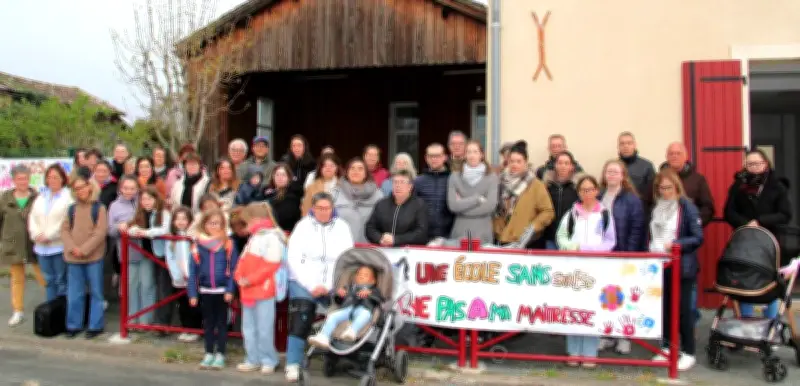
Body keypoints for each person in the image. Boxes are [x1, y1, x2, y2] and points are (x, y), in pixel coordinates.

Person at [284, 192, 354, 382]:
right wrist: (311, 284)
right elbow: (294, 259)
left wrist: (330, 285)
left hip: (333, 282)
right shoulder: (302, 226)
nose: (324, 212)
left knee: (345, 309)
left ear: (333, 209)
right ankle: (293, 363)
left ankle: (338, 357)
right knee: (301, 314)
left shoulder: (342, 227)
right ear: (313, 209)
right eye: (320, 208)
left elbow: (346, 260)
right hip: (304, 281)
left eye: (327, 208)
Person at [556, 175, 616, 368]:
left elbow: (610, 241)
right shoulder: (572, 214)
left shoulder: (605, 214)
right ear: (579, 192)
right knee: (573, 309)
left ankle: (590, 352)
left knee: (592, 310)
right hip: (574, 269)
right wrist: (572, 247)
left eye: (590, 189)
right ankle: (573, 351)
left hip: (597, 268)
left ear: (597, 191)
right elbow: (561, 236)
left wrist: (589, 250)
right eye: (583, 190)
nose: (587, 193)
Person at [723, 149, 791, 319]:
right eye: (749, 164)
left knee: (769, 283)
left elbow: (785, 214)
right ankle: (747, 324)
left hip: (770, 242)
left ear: (766, 164)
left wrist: (760, 221)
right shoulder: (738, 186)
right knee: (746, 282)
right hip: (745, 243)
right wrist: (746, 224)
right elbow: (729, 212)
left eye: (757, 163)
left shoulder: (777, 186)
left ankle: (770, 326)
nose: (753, 167)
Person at [649, 169, 704, 371]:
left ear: (676, 186)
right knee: (664, 309)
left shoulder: (687, 207)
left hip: (681, 266)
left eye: (668, 187)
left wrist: (675, 244)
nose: (665, 192)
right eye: (661, 188)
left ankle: (688, 352)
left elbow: (698, 237)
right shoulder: (657, 208)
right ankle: (667, 348)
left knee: (683, 311)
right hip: (659, 265)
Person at [598, 159, 645, 354]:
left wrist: (630, 253)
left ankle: (624, 336)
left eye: (615, 172)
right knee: (604, 296)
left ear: (623, 176)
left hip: (622, 253)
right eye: (609, 171)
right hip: (602, 255)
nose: (611, 175)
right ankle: (606, 334)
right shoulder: (599, 196)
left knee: (622, 296)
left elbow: (637, 227)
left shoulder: (631, 199)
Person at [234, 202, 286, 374]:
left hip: (263, 290)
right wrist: (239, 275)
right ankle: (253, 358)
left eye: (247, 222)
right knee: (248, 327)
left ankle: (268, 359)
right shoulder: (256, 237)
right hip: (248, 289)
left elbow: (272, 264)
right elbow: (242, 260)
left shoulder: (271, 237)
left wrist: (250, 279)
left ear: (255, 220)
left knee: (264, 327)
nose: (245, 226)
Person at [188, 210, 240, 370]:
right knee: (208, 323)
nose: (214, 226)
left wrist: (230, 290)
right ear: (204, 225)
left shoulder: (228, 243)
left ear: (222, 225)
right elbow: (193, 271)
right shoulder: (197, 245)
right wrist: (192, 293)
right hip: (205, 290)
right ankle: (209, 352)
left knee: (222, 324)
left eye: (217, 223)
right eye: (210, 223)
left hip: (222, 290)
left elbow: (233, 269)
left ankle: (221, 354)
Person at [61, 173, 108, 339]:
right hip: (73, 258)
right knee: (74, 293)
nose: (79, 191)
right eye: (76, 188)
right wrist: (73, 248)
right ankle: (73, 325)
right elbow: (65, 230)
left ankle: (95, 325)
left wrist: (84, 249)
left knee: (96, 292)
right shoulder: (71, 209)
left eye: (82, 187)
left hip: (93, 257)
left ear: (90, 187)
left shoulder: (99, 208)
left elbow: (100, 232)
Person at [0, 165, 45, 326]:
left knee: (44, 276)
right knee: (17, 279)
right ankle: (17, 311)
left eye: (25, 178)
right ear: (13, 180)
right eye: (19, 178)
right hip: (13, 244)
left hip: (34, 244)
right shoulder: (5, 198)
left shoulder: (37, 198)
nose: (22, 181)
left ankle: (54, 306)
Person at [108, 176, 154, 325]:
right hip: (128, 253)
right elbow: (110, 230)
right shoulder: (114, 206)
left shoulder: (142, 202)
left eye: (132, 188)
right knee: (131, 288)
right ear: (120, 188)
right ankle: (131, 320)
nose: (129, 191)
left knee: (147, 285)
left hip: (146, 251)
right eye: (126, 188)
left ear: (137, 189)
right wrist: (119, 227)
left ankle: (146, 320)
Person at [127, 187, 173, 335]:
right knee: (144, 285)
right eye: (143, 199)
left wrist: (145, 233)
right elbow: (132, 226)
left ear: (156, 199)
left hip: (162, 255)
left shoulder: (163, 213)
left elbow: (164, 229)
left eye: (149, 199)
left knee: (161, 288)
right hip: (147, 255)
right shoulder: (140, 213)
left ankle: (161, 323)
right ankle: (141, 319)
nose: (146, 202)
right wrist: (132, 229)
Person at [494, 141, 555, 247]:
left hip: (527, 241)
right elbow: (495, 209)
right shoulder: (500, 182)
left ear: (525, 162)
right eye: (512, 161)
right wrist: (495, 227)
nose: (514, 164)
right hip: (502, 238)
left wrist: (533, 227)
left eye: (518, 161)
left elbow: (548, 212)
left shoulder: (536, 184)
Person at [308, 265, 383, 348]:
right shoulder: (349, 288)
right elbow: (338, 302)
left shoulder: (374, 290)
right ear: (355, 277)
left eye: (365, 275)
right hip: (347, 309)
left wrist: (369, 294)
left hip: (363, 309)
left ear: (373, 281)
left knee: (366, 315)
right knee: (333, 316)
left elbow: (379, 300)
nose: (361, 276)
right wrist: (340, 295)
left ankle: (352, 331)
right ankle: (323, 336)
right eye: (359, 274)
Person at [28, 164, 73, 302]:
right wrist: (36, 234)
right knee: (48, 280)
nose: (52, 180)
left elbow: (66, 221)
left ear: (63, 179)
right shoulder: (41, 197)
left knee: (61, 280)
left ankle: (62, 313)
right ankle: (50, 313)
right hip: (41, 247)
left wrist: (50, 236)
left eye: (56, 177)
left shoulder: (68, 198)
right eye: (49, 177)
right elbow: (32, 217)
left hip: (58, 246)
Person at [646, 142, 715, 226]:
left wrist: (696, 222)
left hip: (689, 231)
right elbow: (647, 204)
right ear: (666, 157)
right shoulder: (656, 179)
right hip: (662, 230)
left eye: (678, 153)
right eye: (671, 153)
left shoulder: (698, 179)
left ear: (685, 156)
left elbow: (707, 207)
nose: (674, 156)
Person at [447, 140, 499, 244]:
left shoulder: (492, 177)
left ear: (481, 155)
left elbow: (490, 206)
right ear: (465, 155)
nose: (472, 155)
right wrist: (477, 199)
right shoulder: (454, 177)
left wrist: (462, 205)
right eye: (469, 152)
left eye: (475, 152)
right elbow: (453, 206)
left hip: (483, 232)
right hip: (460, 232)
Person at [165, 206, 203, 342]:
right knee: (182, 304)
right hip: (178, 277)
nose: (181, 222)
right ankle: (186, 327)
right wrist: (175, 273)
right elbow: (169, 257)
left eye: (184, 219)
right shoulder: (171, 238)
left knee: (194, 302)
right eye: (177, 219)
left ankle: (195, 329)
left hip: (192, 276)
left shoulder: (192, 237)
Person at [366, 170, 429, 247]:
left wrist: (396, 240)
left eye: (402, 182)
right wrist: (380, 238)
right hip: (383, 250)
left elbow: (421, 233)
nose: (398, 185)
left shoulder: (419, 205)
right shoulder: (381, 204)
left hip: (409, 251)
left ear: (410, 186)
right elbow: (370, 228)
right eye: (395, 182)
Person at [333, 158, 384, 243]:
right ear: (347, 172)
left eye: (360, 169)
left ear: (365, 173)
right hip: (341, 245)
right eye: (352, 168)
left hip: (369, 247)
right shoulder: (335, 193)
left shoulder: (378, 194)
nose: (356, 171)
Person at [541, 152, 582, 250]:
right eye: (560, 163)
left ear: (572, 166)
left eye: (566, 163)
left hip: (571, 237)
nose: (563, 166)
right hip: (550, 236)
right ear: (555, 165)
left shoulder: (578, 187)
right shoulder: (547, 186)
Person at [415, 143, 454, 241]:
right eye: (431, 156)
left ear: (444, 157)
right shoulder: (418, 181)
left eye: (437, 156)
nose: (434, 159)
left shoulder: (452, 179)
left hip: (448, 235)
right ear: (426, 158)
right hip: (424, 235)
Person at [262, 164, 302, 231]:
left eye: (283, 175)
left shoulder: (292, 196)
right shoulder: (267, 194)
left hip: (285, 231)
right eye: (277, 175)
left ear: (289, 178)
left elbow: (284, 218)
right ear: (273, 177)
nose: (280, 178)